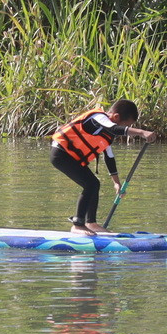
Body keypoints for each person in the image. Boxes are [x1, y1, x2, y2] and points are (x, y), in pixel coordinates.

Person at [51, 99, 156, 236]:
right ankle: (78, 225)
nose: (125, 128)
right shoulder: (99, 118)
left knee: (94, 184)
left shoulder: (106, 134)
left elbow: (109, 158)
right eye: (126, 125)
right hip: (60, 153)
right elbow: (113, 128)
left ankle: (91, 223)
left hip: (69, 156)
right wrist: (142, 132)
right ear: (116, 117)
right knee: (91, 184)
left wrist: (116, 183)